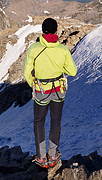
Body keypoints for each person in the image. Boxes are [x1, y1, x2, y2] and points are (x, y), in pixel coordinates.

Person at [23, 18, 77, 168]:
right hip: (59, 90)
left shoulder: (34, 48)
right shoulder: (63, 50)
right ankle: (52, 155)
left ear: (43, 30)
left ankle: (41, 157)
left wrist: (33, 84)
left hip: (41, 90)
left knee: (39, 122)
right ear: (56, 31)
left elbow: (27, 72)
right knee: (55, 121)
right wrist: (59, 67)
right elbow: (72, 71)